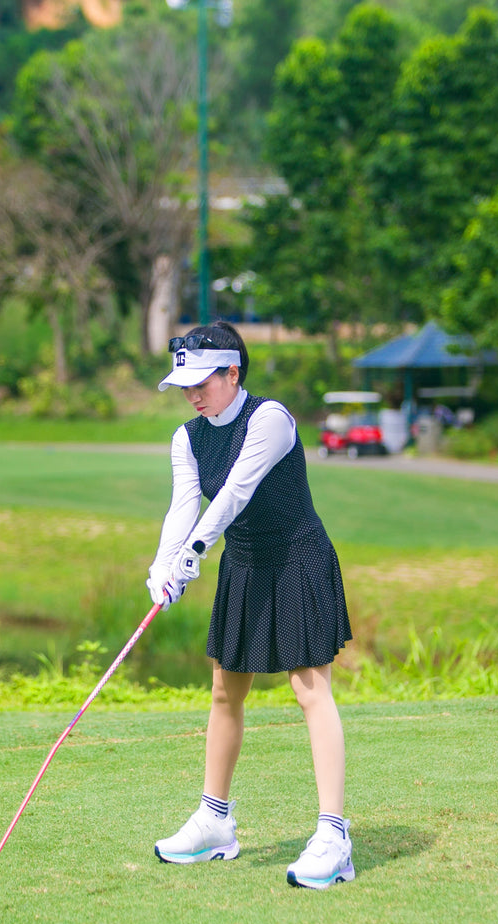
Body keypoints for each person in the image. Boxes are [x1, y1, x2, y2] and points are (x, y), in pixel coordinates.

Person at [146, 320, 355, 890]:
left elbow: (237, 490)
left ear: (232, 372)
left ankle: (333, 835)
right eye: (184, 384)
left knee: (310, 688)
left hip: (295, 557)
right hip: (243, 563)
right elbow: (182, 506)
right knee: (224, 688)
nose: (191, 394)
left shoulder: (271, 419)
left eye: (201, 382)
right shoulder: (187, 437)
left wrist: (194, 551)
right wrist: (163, 567)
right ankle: (214, 821)